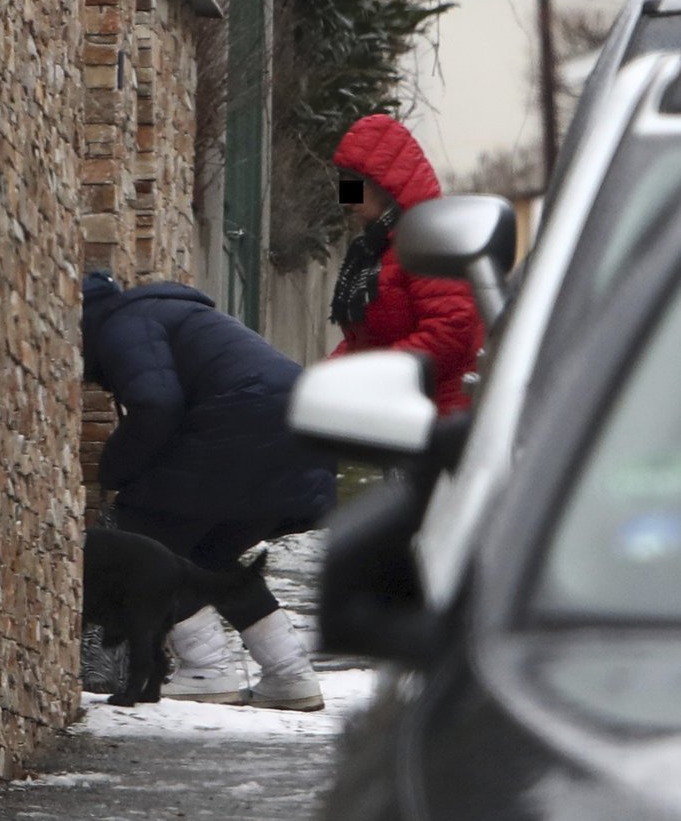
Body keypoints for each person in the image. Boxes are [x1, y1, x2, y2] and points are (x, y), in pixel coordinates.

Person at [81, 271, 336, 711]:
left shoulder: (121, 325)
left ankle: (207, 669)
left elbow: (156, 403)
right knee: (209, 560)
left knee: (147, 541)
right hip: (302, 424)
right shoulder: (168, 313)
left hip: (245, 424)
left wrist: (114, 470)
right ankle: (290, 675)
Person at [330, 113, 483, 415]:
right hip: (401, 411)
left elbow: (451, 329)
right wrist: (318, 380)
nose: (346, 200)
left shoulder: (430, 238)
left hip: (440, 419)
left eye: (352, 186)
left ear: (381, 184)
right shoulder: (376, 248)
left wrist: (375, 375)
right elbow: (363, 342)